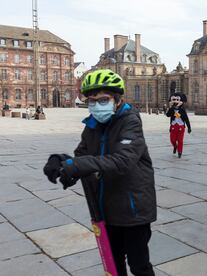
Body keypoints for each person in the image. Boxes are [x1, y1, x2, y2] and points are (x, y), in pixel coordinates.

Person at [43, 69, 156, 276]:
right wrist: (62, 161)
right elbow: (82, 154)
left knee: (139, 264)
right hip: (105, 207)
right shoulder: (93, 126)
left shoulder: (130, 122)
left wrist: (77, 165)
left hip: (133, 209)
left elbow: (123, 161)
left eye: (103, 99)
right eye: (91, 101)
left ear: (117, 99)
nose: (96, 106)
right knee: (113, 265)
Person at [166, 92, 191, 158]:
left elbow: (186, 119)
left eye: (177, 100)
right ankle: (175, 146)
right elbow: (168, 115)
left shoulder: (182, 110)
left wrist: (189, 127)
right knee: (172, 140)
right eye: (174, 100)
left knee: (180, 140)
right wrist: (170, 107)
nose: (176, 102)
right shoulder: (172, 109)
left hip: (181, 126)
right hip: (173, 126)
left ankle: (180, 152)